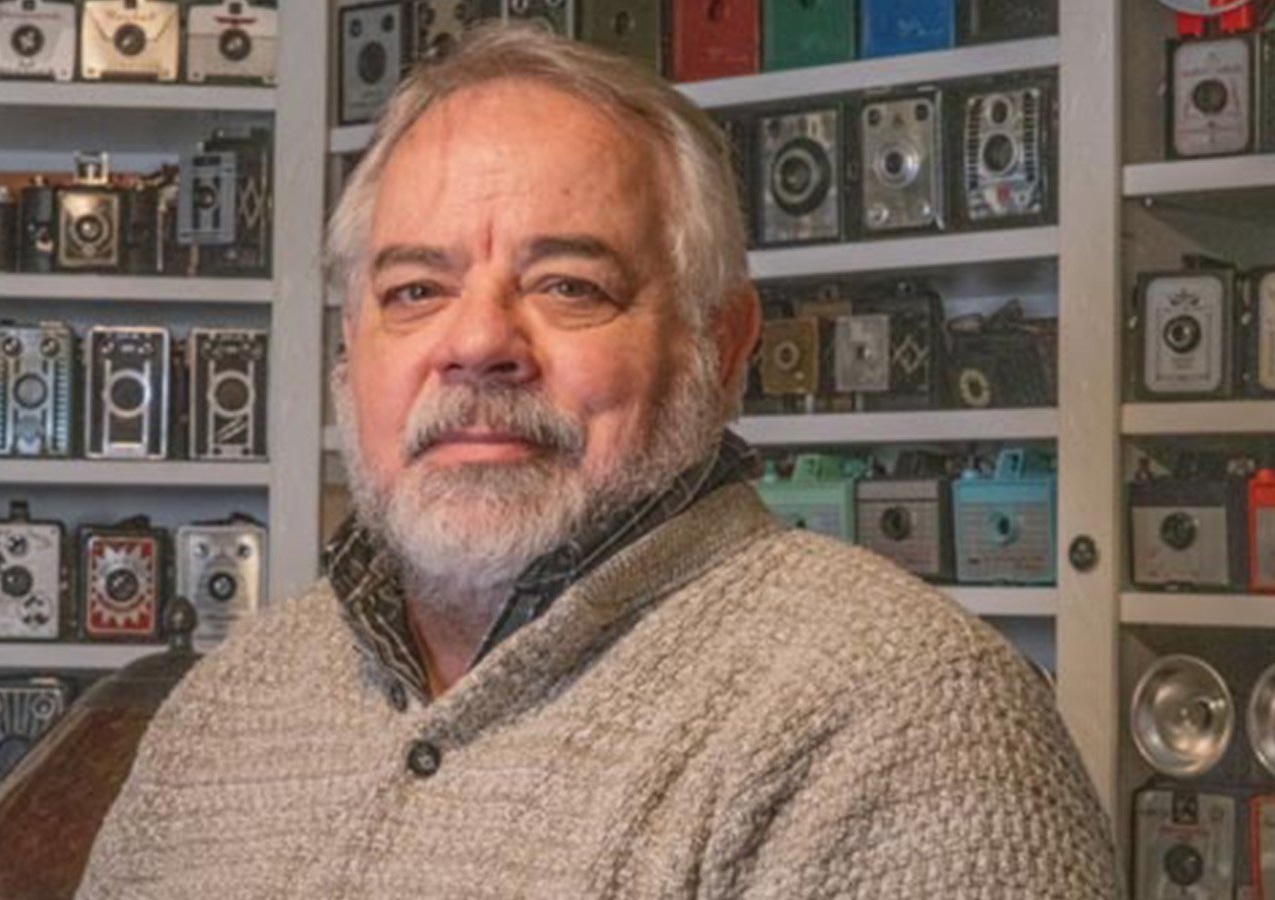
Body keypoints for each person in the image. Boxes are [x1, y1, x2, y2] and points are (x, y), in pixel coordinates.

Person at [77, 24, 1117, 899]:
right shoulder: (226, 705)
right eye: (413, 291)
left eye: (570, 285)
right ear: (349, 354)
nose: (477, 343)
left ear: (722, 345)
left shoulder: (905, 718)